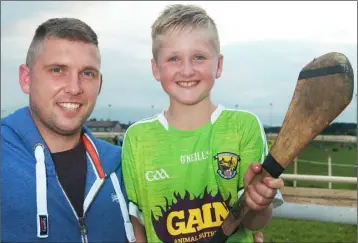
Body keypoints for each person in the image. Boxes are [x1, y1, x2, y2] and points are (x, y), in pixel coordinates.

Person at [122, 4, 284, 243]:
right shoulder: (138, 138)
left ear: (218, 65)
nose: (187, 70)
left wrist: (258, 203)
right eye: (173, 59)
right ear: (156, 69)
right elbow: (138, 226)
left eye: (199, 57)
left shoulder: (244, 127)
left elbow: (254, 221)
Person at [1, 18, 135, 243]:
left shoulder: (121, 167)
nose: (74, 88)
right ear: (26, 78)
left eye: (87, 73)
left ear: (99, 84)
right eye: (57, 70)